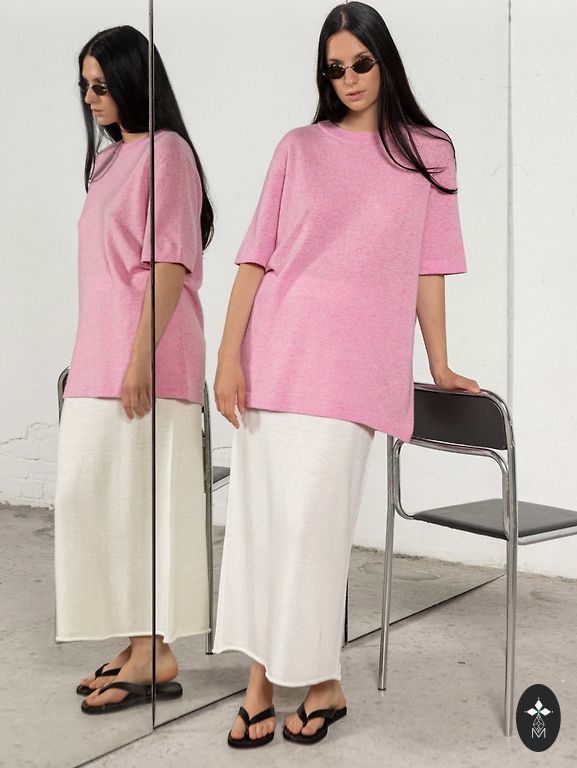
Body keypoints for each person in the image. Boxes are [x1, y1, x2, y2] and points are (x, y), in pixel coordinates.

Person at [212, 1, 480, 748]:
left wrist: (438, 363)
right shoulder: (298, 147)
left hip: (353, 370)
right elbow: (255, 257)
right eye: (335, 69)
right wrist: (227, 358)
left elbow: (429, 266)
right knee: (263, 527)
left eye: (361, 63)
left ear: (384, 60)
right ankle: (263, 686)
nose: (350, 79)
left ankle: (320, 680)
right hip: (275, 355)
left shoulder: (429, 152)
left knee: (310, 531)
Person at [54, 25, 214, 714]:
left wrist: (140, 358)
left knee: (143, 504)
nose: (92, 98)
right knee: (96, 500)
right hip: (101, 355)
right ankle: (139, 642)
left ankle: (155, 650)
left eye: (102, 85)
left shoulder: (168, 152)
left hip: (147, 356)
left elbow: (169, 262)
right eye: (85, 86)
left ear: (132, 81)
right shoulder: (109, 160)